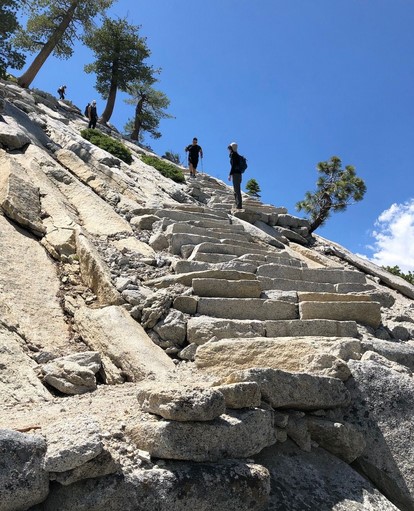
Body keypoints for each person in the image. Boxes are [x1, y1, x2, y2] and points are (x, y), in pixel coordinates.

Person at [228, 142, 243, 209]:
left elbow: (233, 166)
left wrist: (230, 175)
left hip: (236, 174)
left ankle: (239, 205)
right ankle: (237, 204)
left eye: (229, 148)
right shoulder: (237, 155)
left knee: (236, 190)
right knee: (237, 189)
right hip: (239, 174)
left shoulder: (234, 155)